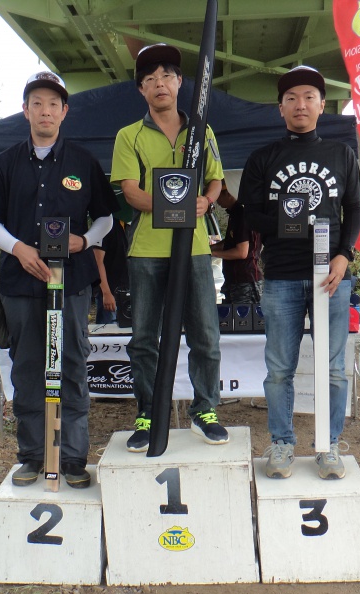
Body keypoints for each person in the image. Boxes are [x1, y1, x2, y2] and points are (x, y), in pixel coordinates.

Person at [0, 71, 117, 488]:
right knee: (28, 369)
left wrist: (84, 239)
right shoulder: (5, 163)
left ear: (64, 112)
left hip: (71, 283)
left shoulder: (83, 162)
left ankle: (74, 458)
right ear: (25, 110)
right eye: (37, 103)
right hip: (20, 286)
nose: (45, 111)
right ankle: (32, 456)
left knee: (71, 365)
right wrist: (18, 248)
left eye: (53, 104)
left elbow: (107, 217)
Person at [239, 65, 360, 479]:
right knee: (279, 369)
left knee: (333, 368)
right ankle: (281, 444)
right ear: (281, 108)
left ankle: (328, 447)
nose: (300, 105)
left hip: (332, 276)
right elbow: (251, 212)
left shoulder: (342, 155)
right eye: (291, 98)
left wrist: (345, 254)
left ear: (321, 105)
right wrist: (293, 222)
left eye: (309, 97)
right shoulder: (263, 157)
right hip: (281, 276)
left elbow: (354, 209)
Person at [110, 43, 228, 452]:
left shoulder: (202, 130)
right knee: (144, 337)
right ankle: (148, 411)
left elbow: (216, 180)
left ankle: (205, 408)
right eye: (150, 79)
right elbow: (129, 191)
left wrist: (206, 201)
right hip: (146, 250)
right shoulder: (129, 135)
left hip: (194, 248)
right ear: (141, 89)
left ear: (180, 83)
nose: (159, 84)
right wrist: (177, 204)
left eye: (167, 76)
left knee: (206, 334)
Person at [211, 183, 263, 304]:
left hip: (246, 281)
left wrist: (214, 253)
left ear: (228, 194)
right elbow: (229, 242)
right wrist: (209, 248)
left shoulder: (242, 214)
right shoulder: (234, 214)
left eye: (218, 196)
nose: (217, 201)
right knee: (230, 320)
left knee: (245, 320)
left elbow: (241, 252)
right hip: (233, 280)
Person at [92, 216, 129, 324]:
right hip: (111, 293)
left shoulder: (128, 226)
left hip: (127, 293)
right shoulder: (106, 225)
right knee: (107, 333)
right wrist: (106, 293)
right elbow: (98, 261)